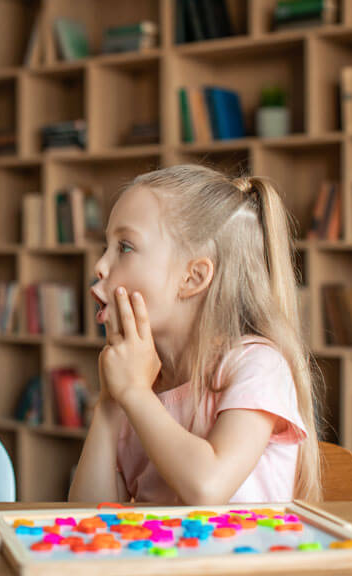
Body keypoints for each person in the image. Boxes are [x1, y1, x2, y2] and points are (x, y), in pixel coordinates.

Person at [68, 164, 320, 505]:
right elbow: (86, 517)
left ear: (193, 277)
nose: (99, 265)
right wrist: (109, 403)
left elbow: (209, 488)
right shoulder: (139, 385)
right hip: (162, 560)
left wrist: (133, 393)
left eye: (124, 247)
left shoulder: (258, 366)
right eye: (105, 247)